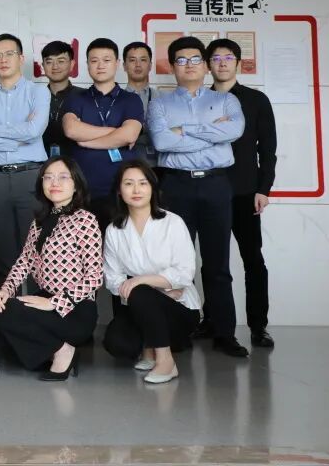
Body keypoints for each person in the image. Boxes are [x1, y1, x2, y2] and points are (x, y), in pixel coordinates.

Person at [147, 36, 248, 358]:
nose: (188, 65)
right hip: (176, 186)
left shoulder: (226, 100)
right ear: (172, 67)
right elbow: (162, 142)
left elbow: (233, 131)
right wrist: (209, 132)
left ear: (205, 66)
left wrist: (184, 130)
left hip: (216, 185)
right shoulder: (160, 103)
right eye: (181, 60)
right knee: (175, 263)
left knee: (218, 264)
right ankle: (178, 331)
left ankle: (224, 333)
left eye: (194, 60)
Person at [0, 157, 102, 381]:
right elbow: (24, 262)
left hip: (75, 308)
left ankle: (63, 350)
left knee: (8, 318)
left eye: (63, 177)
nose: (54, 183)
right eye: (48, 177)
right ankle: (53, 349)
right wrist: (5, 290)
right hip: (44, 299)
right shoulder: (39, 222)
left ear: (76, 185)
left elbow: (95, 277)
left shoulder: (85, 220)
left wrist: (55, 303)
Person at [102, 160, 201, 384]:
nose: (136, 190)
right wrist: (152, 288)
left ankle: (166, 361)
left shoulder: (172, 222)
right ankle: (149, 348)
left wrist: (142, 281)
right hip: (142, 305)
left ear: (153, 188)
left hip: (180, 309)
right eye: (129, 183)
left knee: (141, 290)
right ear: (119, 190)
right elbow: (113, 278)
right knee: (117, 344)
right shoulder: (115, 229)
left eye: (143, 183)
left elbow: (185, 273)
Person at [208, 38, 278, 348]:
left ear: (238, 63)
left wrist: (264, 189)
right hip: (209, 191)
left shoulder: (256, 100)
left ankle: (258, 326)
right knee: (212, 262)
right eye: (216, 58)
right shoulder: (200, 100)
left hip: (245, 192)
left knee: (253, 260)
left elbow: (268, 149)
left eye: (228, 58)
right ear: (208, 65)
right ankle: (212, 321)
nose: (222, 63)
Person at [0, 33, 49, 285]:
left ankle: (35, 305)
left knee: (35, 250)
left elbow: (34, 130)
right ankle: (8, 306)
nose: (3, 60)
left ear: (21, 58)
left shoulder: (38, 92)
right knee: (2, 250)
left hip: (30, 176)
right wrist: (18, 138)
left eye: (9, 54)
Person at [61, 37, 144, 228]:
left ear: (117, 63)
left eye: (106, 60)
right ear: (87, 64)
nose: (100, 65)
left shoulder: (130, 100)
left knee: (121, 243)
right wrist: (116, 133)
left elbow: (129, 135)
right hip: (82, 189)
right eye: (94, 60)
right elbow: (71, 129)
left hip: (122, 189)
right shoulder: (76, 98)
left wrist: (86, 141)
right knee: (84, 244)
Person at [40, 40, 84, 158]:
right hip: (40, 163)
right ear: (43, 66)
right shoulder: (35, 97)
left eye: (61, 61)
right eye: (49, 62)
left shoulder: (85, 96)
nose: (55, 66)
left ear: (72, 64)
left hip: (76, 163)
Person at [123, 41, 159, 165]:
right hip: (124, 163)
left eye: (143, 60)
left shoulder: (161, 98)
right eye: (132, 60)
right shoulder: (115, 99)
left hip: (157, 164)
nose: (138, 65)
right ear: (124, 66)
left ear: (150, 65)